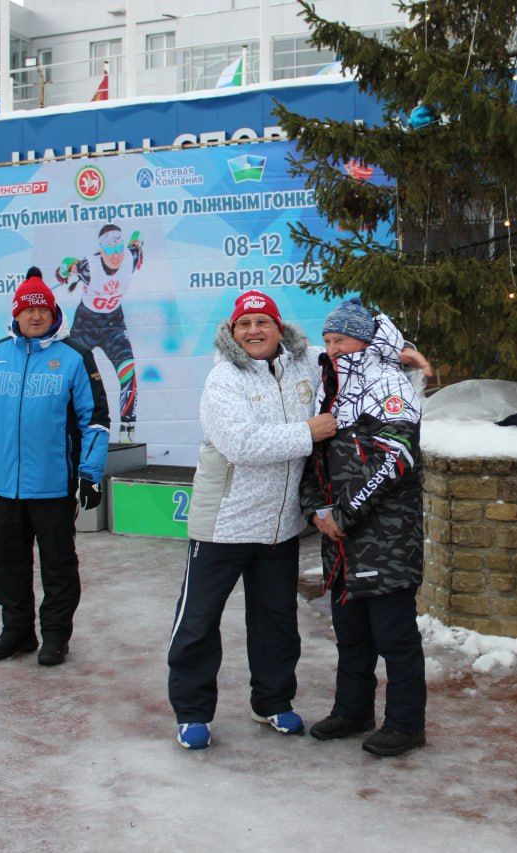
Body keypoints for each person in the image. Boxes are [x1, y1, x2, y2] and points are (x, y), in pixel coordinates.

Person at [167, 290, 335, 750]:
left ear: (280, 328)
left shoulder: (307, 363)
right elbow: (241, 444)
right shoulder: (224, 379)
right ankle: (192, 712)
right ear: (232, 331)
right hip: (224, 522)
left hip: (278, 527)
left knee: (277, 620)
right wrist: (308, 432)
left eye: (263, 322)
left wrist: (398, 353)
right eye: (245, 324)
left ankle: (273, 701)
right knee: (199, 621)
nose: (254, 331)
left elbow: (349, 352)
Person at [0, 268, 109, 666]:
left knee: (58, 566)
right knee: (8, 564)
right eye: (28, 309)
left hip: (54, 486)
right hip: (6, 486)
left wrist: (89, 475)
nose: (36, 316)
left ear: (54, 312)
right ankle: (17, 632)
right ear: (16, 314)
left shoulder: (75, 356)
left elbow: (94, 421)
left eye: (43, 309)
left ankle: (56, 635)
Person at [300, 298, 427, 757]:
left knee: (395, 637)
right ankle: (353, 710)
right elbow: (312, 458)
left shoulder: (389, 383)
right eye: (328, 341)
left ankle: (406, 723)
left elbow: (397, 456)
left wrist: (345, 514)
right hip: (340, 542)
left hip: (386, 537)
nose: (332, 350)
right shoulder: (329, 387)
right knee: (351, 633)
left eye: (341, 340)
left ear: (366, 341)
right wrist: (316, 510)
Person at [55, 224, 143, 442]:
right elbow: (62, 274)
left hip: (113, 323)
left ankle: (127, 433)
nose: (116, 256)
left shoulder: (130, 257)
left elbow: (137, 246)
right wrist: (65, 269)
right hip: (87, 324)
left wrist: (136, 242)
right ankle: (67, 429)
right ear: (101, 250)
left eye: (118, 249)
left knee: (129, 374)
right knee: (70, 376)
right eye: (109, 250)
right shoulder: (88, 267)